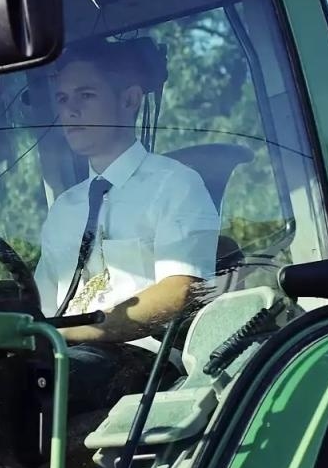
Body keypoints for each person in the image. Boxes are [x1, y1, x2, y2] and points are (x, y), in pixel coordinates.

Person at [33, 37, 221, 416]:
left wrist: (79, 332)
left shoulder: (174, 184)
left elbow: (179, 291)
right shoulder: (64, 209)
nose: (70, 111)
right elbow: (43, 304)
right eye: (63, 99)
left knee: (44, 383)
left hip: (146, 360)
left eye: (86, 95)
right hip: (70, 355)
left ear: (129, 100)